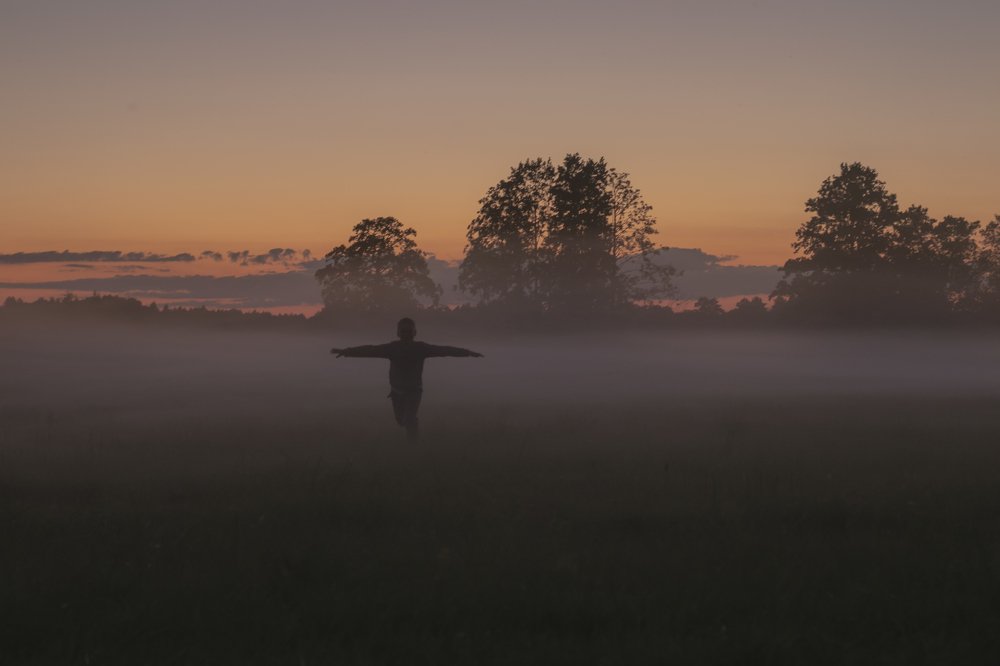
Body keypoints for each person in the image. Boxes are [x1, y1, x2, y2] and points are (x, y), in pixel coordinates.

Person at [330, 318, 483, 439]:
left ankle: (413, 445)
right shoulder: (393, 348)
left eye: (408, 331)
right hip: (397, 391)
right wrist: (347, 351)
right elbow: (370, 350)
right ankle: (412, 435)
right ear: (399, 333)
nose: (406, 334)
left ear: (414, 333)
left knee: (409, 419)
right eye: (404, 331)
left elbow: (444, 350)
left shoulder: (421, 348)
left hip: (414, 390)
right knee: (401, 421)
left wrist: (467, 352)